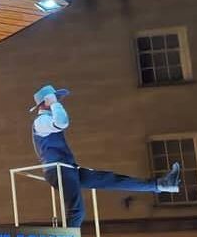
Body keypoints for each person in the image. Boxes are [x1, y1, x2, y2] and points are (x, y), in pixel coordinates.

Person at [30, 84, 181, 228]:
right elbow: (62, 122)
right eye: (55, 98)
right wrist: (55, 104)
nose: (59, 101)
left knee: (110, 180)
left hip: (67, 168)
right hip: (58, 170)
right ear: (46, 102)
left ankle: (162, 184)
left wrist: (54, 103)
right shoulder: (40, 122)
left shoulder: (46, 120)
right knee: (76, 211)